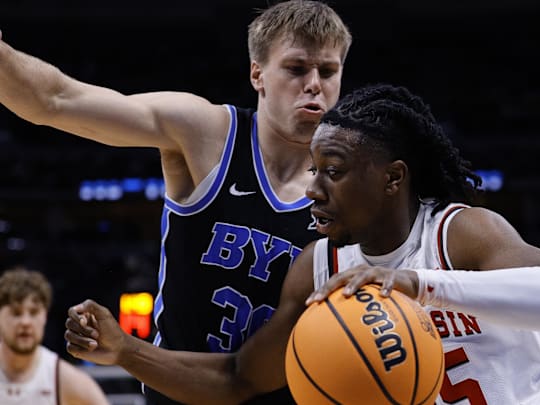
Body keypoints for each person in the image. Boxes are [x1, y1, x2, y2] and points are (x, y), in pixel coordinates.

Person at [65, 83, 540, 404]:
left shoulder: (457, 231)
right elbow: (237, 378)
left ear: (392, 178)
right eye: (313, 170)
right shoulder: (319, 268)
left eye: (334, 172)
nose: (314, 190)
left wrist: (417, 285)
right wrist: (126, 352)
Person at [0, 1, 352, 403]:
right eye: (296, 68)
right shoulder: (207, 134)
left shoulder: (352, 186)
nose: (313, 84)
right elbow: (55, 100)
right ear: (258, 74)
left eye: (328, 71)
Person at [0, 267, 110, 405]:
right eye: (16, 313)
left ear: (45, 316)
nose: (25, 322)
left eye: (33, 313)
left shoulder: (63, 378)